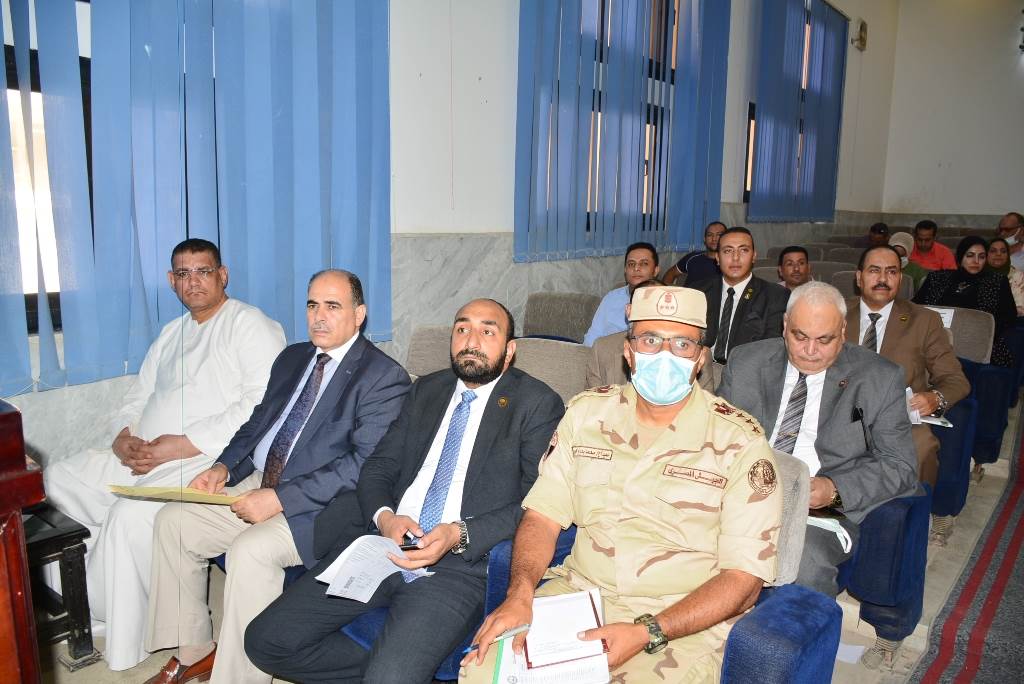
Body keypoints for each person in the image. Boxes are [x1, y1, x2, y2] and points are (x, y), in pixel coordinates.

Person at [461, 286, 782, 682]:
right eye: (650, 341)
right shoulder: (586, 415)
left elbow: (744, 580)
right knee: (481, 671)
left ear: (700, 359)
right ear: (628, 352)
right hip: (580, 596)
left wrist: (648, 631)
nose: (664, 355)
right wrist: (520, 593)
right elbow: (543, 516)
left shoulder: (740, 442)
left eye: (682, 344)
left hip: (681, 621)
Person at [244, 299, 565, 684]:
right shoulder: (426, 390)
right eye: (462, 329)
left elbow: (538, 503)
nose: (471, 340)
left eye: (487, 331)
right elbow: (378, 466)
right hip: (386, 546)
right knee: (264, 642)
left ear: (509, 350)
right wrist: (385, 518)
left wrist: (458, 533)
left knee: (390, 675)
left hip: (457, 566)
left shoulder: (536, 403)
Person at [143, 269, 410, 684]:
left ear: (359, 314)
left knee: (250, 551)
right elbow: (257, 424)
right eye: (312, 305)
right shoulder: (293, 357)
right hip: (261, 480)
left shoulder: (383, 377)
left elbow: (362, 465)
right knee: (173, 522)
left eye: (333, 306)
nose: (319, 316)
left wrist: (280, 499)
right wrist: (223, 467)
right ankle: (195, 650)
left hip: (322, 508)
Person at [41, 238, 286, 671]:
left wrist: (183, 444)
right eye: (184, 274)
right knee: (56, 478)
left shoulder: (250, 324)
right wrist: (123, 438)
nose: (194, 282)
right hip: (143, 452)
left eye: (203, 271)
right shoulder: (173, 332)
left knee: (128, 516)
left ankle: (119, 625)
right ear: (172, 281)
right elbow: (138, 395)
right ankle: (87, 595)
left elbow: (259, 407)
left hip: (204, 457)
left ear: (223, 275)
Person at [718, 282, 917, 597]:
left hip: (816, 512)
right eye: (800, 336)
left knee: (803, 563)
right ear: (785, 326)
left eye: (824, 340)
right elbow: (716, 437)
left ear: (843, 332)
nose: (810, 351)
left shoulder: (879, 377)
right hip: (741, 495)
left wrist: (834, 491)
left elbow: (900, 466)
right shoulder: (746, 362)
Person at [847, 246, 970, 489]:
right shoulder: (834, 312)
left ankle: (915, 509)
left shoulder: (924, 320)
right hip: (839, 411)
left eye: (892, 272)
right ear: (859, 277)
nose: (883, 279)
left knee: (921, 448)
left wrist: (935, 398)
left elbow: (955, 379)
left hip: (898, 418)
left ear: (900, 279)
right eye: (874, 271)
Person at [688, 227, 789, 367]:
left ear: (754, 256)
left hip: (747, 370)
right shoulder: (697, 292)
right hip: (701, 367)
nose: (735, 258)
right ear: (717, 258)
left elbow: (771, 350)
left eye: (744, 250)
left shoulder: (775, 296)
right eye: (727, 251)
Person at [913, 237, 1017, 368]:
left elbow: (1008, 316)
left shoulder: (996, 281)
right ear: (960, 257)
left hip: (980, 345)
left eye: (981, 257)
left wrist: (979, 334)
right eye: (970, 255)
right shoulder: (938, 278)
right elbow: (916, 307)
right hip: (935, 340)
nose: (976, 261)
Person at [583, 242, 659, 346]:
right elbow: (592, 337)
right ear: (625, 270)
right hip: (606, 353)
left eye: (644, 263)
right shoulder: (611, 298)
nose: (636, 268)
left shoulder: (665, 301)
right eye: (631, 264)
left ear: (656, 270)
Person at [662, 220, 725, 286]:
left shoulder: (729, 262)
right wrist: (667, 290)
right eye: (710, 235)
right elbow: (671, 273)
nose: (714, 239)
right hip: (689, 292)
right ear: (704, 239)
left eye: (719, 235)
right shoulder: (693, 257)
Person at [986, 237, 1024, 316]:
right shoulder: (978, 275)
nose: (998, 254)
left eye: (1003, 251)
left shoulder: (1018, 276)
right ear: (985, 254)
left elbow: (1021, 309)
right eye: (993, 251)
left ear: (1008, 255)